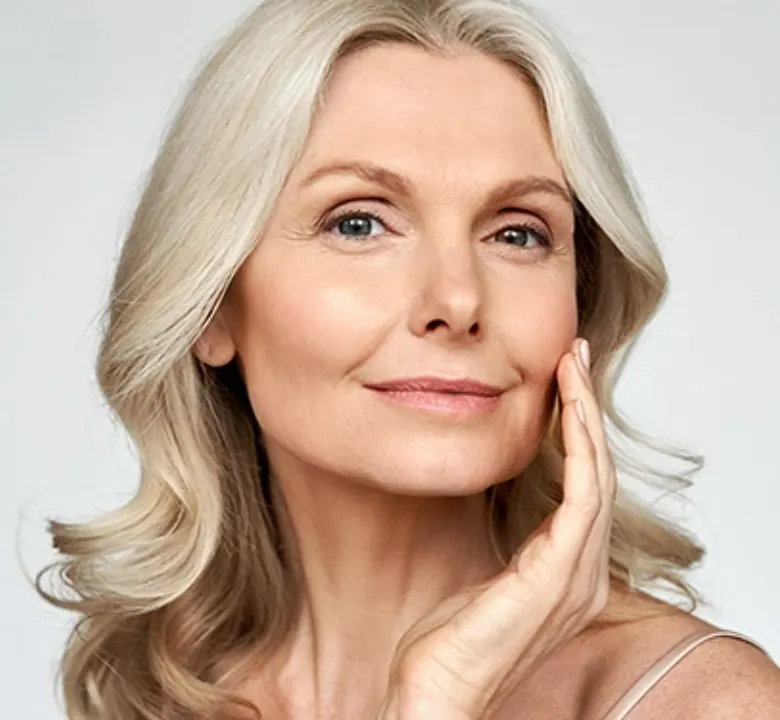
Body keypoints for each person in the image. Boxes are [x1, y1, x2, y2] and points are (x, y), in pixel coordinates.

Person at [36, 0, 780, 718]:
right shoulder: (154, 692)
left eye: (517, 233)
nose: (458, 299)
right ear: (212, 303)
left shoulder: (705, 703)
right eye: (359, 223)